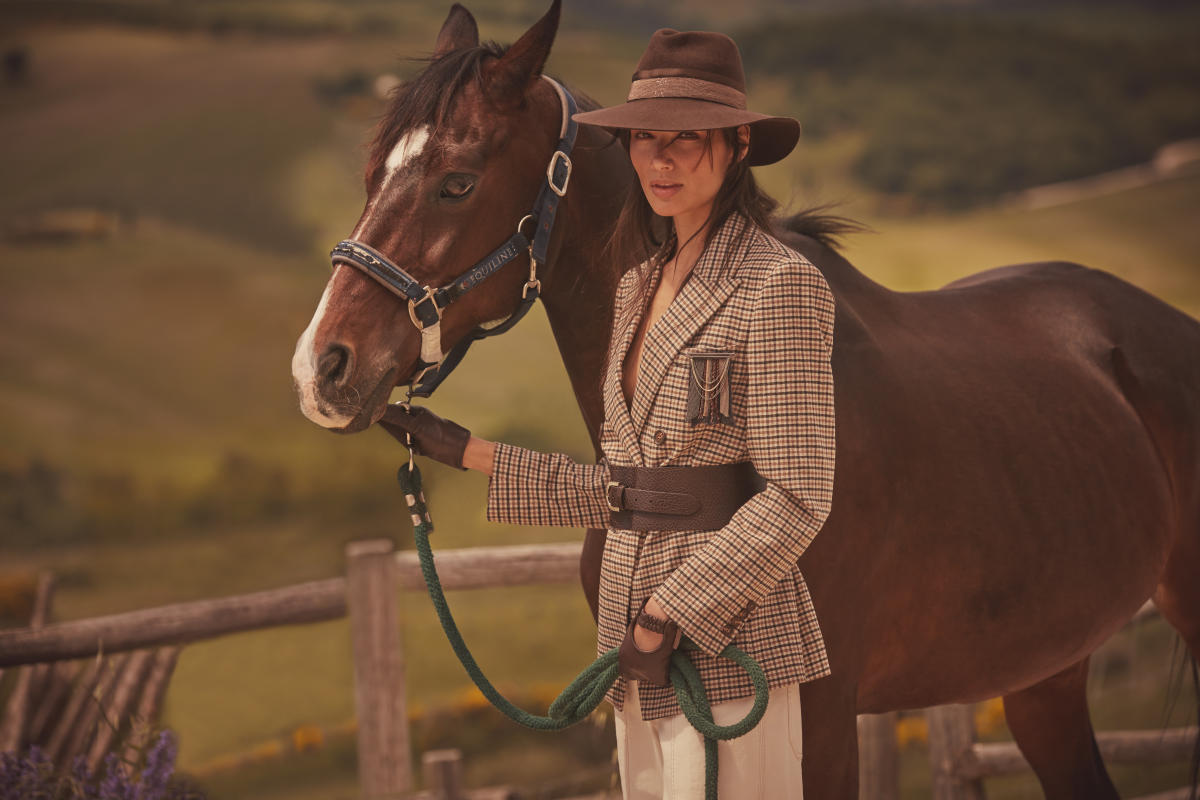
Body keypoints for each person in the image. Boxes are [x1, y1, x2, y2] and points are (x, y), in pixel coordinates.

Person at [382, 28, 836, 800]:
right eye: (643, 138)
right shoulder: (635, 289)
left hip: (728, 650)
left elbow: (798, 497)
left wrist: (668, 611)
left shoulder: (779, 284)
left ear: (738, 145)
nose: (660, 160)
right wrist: (468, 453)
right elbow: (631, 487)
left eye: (685, 138)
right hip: (634, 656)